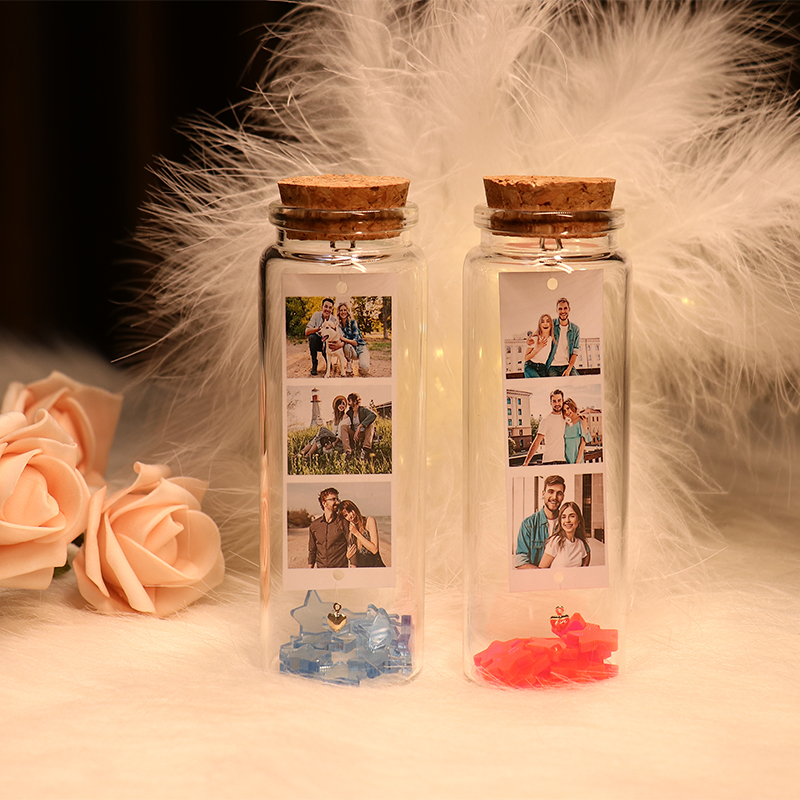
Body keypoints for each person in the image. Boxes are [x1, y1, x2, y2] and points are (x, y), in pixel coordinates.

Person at [515, 475, 565, 568]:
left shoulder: (567, 524)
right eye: (551, 492)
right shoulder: (528, 524)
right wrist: (542, 574)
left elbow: (584, 550)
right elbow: (521, 562)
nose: (554, 497)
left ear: (563, 497)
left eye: (559, 493)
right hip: (537, 576)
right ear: (543, 494)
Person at [307, 487, 353, 568]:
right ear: (324, 503)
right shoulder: (314, 526)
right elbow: (312, 551)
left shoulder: (344, 522)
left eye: (337, 499)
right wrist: (309, 570)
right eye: (333, 499)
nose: (337, 502)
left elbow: (352, 546)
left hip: (339, 570)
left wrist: (353, 568)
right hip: (321, 570)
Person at [538, 501, 591, 569]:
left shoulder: (580, 543)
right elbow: (541, 569)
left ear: (578, 520)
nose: (567, 520)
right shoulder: (555, 541)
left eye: (572, 516)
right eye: (563, 517)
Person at [522, 389, 567, 466]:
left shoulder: (566, 418)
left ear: (563, 401)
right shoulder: (546, 420)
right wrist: (526, 462)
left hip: (563, 461)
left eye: (559, 400)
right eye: (554, 401)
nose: (557, 404)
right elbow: (537, 442)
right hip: (549, 461)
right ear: (550, 403)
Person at [339, 499, 385, 567]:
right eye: (346, 515)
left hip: (375, 565)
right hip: (361, 567)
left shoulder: (369, 521)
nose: (350, 516)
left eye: (350, 511)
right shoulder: (350, 529)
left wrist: (356, 533)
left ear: (354, 508)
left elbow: (374, 549)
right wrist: (348, 556)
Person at [546, 297, 580, 377]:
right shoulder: (551, 324)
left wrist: (568, 369)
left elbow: (575, 352)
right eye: (560, 309)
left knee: (577, 380)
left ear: (569, 309)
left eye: (565, 308)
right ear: (557, 310)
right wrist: (530, 339)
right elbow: (540, 332)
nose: (563, 311)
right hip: (552, 366)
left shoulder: (575, 329)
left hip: (567, 365)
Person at [335, 302, 371, 376]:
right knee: (346, 345)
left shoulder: (353, 322)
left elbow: (355, 342)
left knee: (364, 368)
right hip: (350, 350)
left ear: (348, 312)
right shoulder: (338, 325)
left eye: (345, 310)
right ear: (338, 312)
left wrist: (343, 338)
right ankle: (349, 363)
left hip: (360, 348)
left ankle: (361, 366)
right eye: (341, 310)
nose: (343, 312)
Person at [304, 298, 335, 376]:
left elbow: (337, 335)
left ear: (332, 310)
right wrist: (319, 328)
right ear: (322, 307)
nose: (327, 309)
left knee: (328, 341)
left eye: (330, 307)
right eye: (326, 306)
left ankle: (328, 361)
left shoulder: (333, 320)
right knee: (312, 337)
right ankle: (314, 363)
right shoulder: (316, 315)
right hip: (318, 341)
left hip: (328, 343)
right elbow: (307, 331)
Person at [341, 392, 377, 460]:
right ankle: (348, 452)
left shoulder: (363, 409)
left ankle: (366, 450)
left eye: (349, 401)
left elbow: (373, 415)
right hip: (354, 435)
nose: (348, 403)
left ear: (355, 401)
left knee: (371, 424)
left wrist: (360, 426)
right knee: (343, 427)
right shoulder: (349, 413)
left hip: (364, 433)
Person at [563, 397, 591, 464]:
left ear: (572, 406)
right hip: (566, 460)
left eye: (568, 408)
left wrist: (577, 462)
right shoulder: (566, 424)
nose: (567, 412)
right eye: (564, 410)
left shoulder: (582, 420)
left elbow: (583, 443)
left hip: (577, 460)